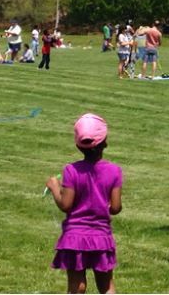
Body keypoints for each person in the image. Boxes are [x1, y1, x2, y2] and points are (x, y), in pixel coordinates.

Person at [46, 113, 123, 294]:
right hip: (101, 236)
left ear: (78, 144)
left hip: (75, 237)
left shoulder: (71, 170)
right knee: (106, 286)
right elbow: (116, 207)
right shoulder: (114, 171)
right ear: (105, 142)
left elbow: (65, 205)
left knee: (77, 286)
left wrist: (55, 188)